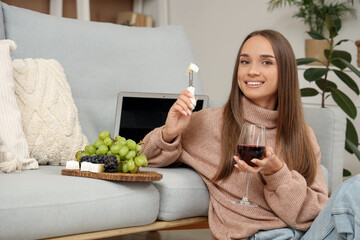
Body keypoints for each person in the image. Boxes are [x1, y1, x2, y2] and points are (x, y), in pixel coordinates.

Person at [141, 29, 359, 239]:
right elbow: (141, 158)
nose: (252, 71)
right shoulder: (208, 123)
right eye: (245, 61)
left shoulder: (303, 135)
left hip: (307, 235)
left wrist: (277, 173)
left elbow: (315, 214)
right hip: (255, 237)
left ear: (285, 72)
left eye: (266, 62)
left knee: (355, 189)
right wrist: (169, 133)